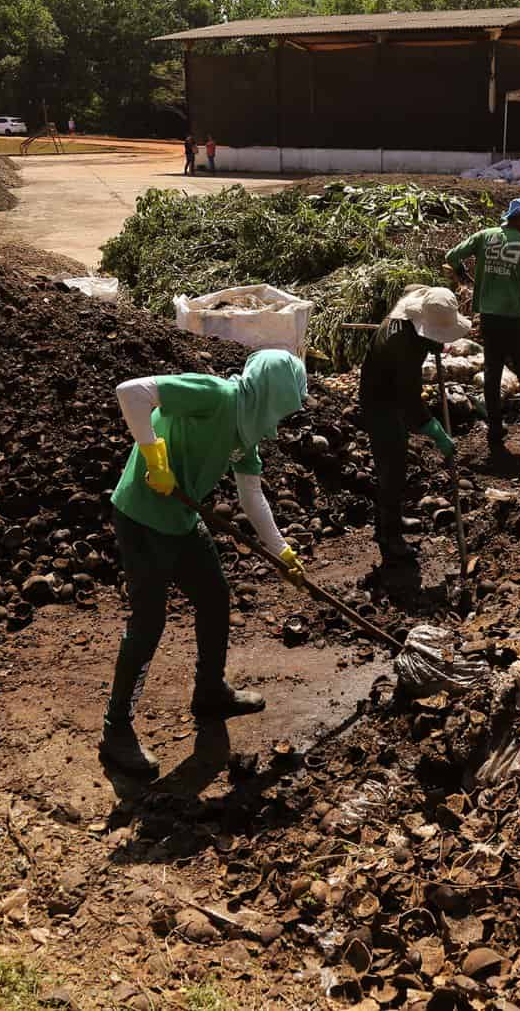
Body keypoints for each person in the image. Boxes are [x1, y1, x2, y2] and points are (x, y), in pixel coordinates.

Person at [101, 350, 309, 777]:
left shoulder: (245, 429)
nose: (281, 418)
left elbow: (252, 496)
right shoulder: (215, 394)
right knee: (149, 621)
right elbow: (132, 393)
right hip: (142, 514)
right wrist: (153, 456)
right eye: (282, 406)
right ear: (269, 395)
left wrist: (281, 552)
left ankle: (210, 691)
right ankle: (115, 730)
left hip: (180, 517)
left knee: (215, 597)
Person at [358, 286, 469, 564]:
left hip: (390, 388)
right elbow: (410, 401)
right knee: (392, 465)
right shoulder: (402, 346)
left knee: (395, 459)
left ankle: (391, 520)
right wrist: (434, 430)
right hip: (380, 399)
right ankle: (389, 536)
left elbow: (414, 288)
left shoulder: (415, 299)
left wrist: (435, 341)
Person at [443, 197, 520, 457]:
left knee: (492, 372)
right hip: (513, 317)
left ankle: (495, 429)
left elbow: (452, 256)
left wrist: (463, 275)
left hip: (488, 317)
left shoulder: (485, 236)